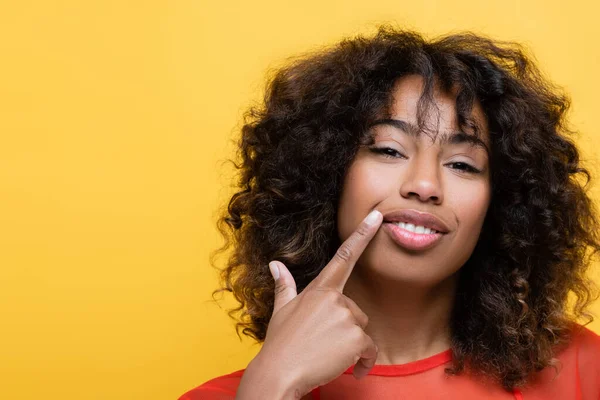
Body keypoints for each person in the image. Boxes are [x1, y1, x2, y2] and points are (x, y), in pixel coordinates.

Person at [179, 25, 600, 399]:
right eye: (388, 150)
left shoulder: (583, 370)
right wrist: (271, 385)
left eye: (462, 164)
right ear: (328, 173)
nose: (425, 185)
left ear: (501, 204)